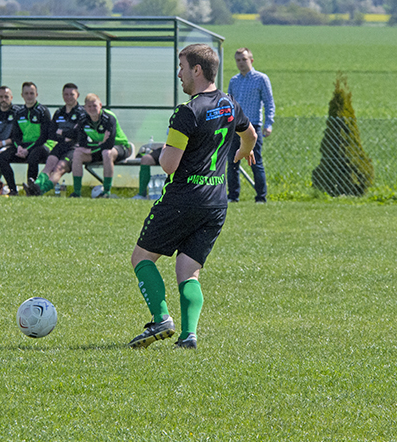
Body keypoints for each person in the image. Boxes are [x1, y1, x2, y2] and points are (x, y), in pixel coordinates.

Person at [128, 44, 256, 350]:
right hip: (216, 202)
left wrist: (156, 151)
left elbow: (169, 165)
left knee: (142, 258)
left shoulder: (187, 112)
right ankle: (188, 336)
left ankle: (161, 319)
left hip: (184, 198)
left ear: (197, 70)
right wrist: (242, 154)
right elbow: (249, 134)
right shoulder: (229, 104)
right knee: (188, 269)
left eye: (182, 67)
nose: (179, 74)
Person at [227, 47, 275, 203]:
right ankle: (233, 196)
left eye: (244, 59)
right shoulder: (234, 81)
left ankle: (261, 197)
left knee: (255, 162)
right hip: (234, 127)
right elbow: (229, 105)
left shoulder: (261, 79)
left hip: (252, 126)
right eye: (238, 60)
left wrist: (268, 124)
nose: (241, 63)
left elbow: (269, 103)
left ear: (251, 60)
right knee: (232, 162)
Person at [24, 82, 86, 196]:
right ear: (62, 96)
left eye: (71, 94)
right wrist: (66, 134)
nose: (68, 97)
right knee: (49, 164)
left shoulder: (82, 113)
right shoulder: (59, 112)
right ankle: (35, 186)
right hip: (60, 145)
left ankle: (40, 191)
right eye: (66, 94)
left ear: (78, 95)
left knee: (59, 168)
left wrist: (62, 132)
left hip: (74, 148)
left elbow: (79, 134)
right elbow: (51, 133)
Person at [68, 93, 131, 198]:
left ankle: (106, 191)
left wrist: (93, 147)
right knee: (77, 153)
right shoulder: (83, 119)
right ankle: (77, 192)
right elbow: (82, 142)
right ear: (85, 108)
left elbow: (109, 144)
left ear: (100, 105)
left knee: (107, 153)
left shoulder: (109, 117)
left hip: (121, 147)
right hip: (100, 148)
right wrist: (99, 144)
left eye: (95, 106)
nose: (92, 108)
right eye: (89, 106)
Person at [0, 82, 51, 196]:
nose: (29, 96)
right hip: (23, 147)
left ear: (36, 94)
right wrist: (19, 147)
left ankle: (31, 189)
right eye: (26, 93)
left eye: (32, 93)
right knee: (2, 157)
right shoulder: (19, 112)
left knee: (33, 156)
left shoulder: (43, 111)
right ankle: (13, 190)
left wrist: (27, 150)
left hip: (40, 146)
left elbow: (44, 137)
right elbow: (15, 136)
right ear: (22, 95)